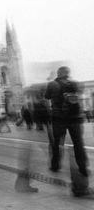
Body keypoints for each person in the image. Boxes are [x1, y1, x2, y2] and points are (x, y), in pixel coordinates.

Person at [45, 66, 90, 197]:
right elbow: (79, 92)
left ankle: (55, 165)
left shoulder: (52, 84)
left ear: (58, 73)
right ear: (68, 74)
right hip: (75, 118)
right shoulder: (74, 83)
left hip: (58, 118)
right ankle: (83, 168)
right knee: (78, 143)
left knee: (57, 143)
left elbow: (46, 96)